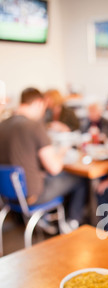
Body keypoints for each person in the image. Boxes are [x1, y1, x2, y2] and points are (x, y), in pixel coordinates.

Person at [0, 87, 87, 228]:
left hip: (7, 195)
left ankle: (49, 219)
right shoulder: (33, 126)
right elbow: (55, 168)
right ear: (39, 103)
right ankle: (72, 223)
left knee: (46, 176)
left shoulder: (2, 125)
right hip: (32, 195)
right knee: (79, 179)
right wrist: (62, 151)